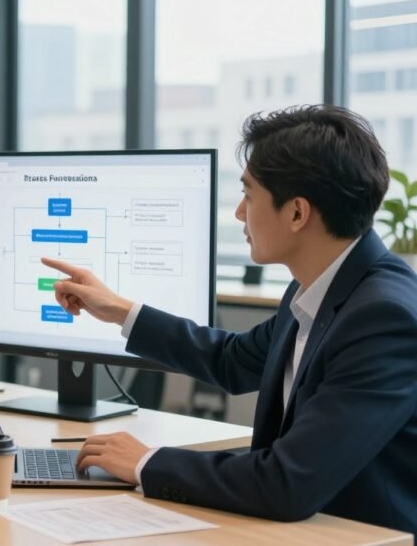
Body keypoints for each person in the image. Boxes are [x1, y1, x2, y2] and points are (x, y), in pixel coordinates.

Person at [42, 105, 417, 533]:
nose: (240, 213)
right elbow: (233, 361)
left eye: (249, 195)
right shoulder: (316, 287)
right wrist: (118, 311)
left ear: (297, 213)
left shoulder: (383, 318)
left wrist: (146, 462)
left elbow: (287, 483)